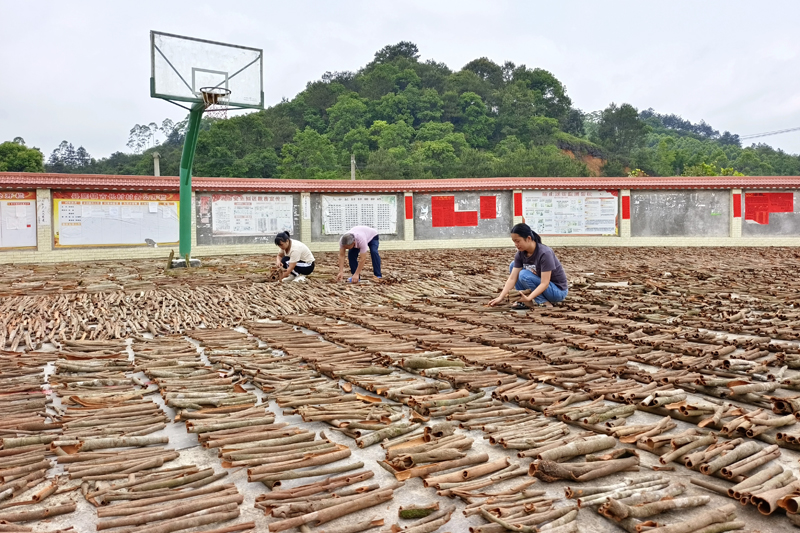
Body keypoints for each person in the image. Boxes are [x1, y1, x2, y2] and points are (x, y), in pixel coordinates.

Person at [488, 223, 568, 308]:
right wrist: (500, 297)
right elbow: (512, 278)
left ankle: (543, 303)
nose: (516, 244)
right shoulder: (520, 254)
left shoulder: (545, 253)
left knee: (524, 275)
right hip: (543, 288)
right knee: (513, 265)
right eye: (514, 241)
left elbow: (545, 283)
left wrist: (529, 297)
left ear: (528, 238)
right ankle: (524, 301)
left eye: (518, 241)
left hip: (557, 291)